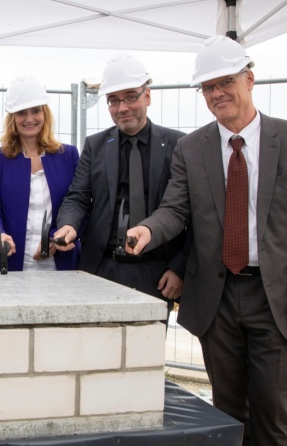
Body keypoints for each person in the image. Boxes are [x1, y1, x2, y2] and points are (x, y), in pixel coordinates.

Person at [126, 36, 287, 446]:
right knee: (228, 413)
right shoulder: (192, 148)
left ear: (249, 79)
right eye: (207, 87)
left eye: (225, 82)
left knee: (274, 414)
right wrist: (147, 228)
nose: (217, 93)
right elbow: (175, 209)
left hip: (275, 302)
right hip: (216, 300)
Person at [53, 54, 187, 315]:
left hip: (157, 273)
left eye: (130, 97)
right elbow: (78, 197)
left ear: (147, 96)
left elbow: (190, 213)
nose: (122, 107)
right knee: (97, 351)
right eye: (113, 100)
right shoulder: (95, 146)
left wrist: (179, 268)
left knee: (146, 353)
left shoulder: (178, 145)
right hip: (101, 270)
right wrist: (68, 224)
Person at [0, 75, 80, 272]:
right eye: (21, 113)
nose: (29, 119)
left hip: (59, 264)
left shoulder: (68, 155)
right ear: (12, 118)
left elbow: (79, 205)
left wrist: (58, 235)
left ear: (45, 114)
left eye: (36, 111)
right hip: (10, 262)